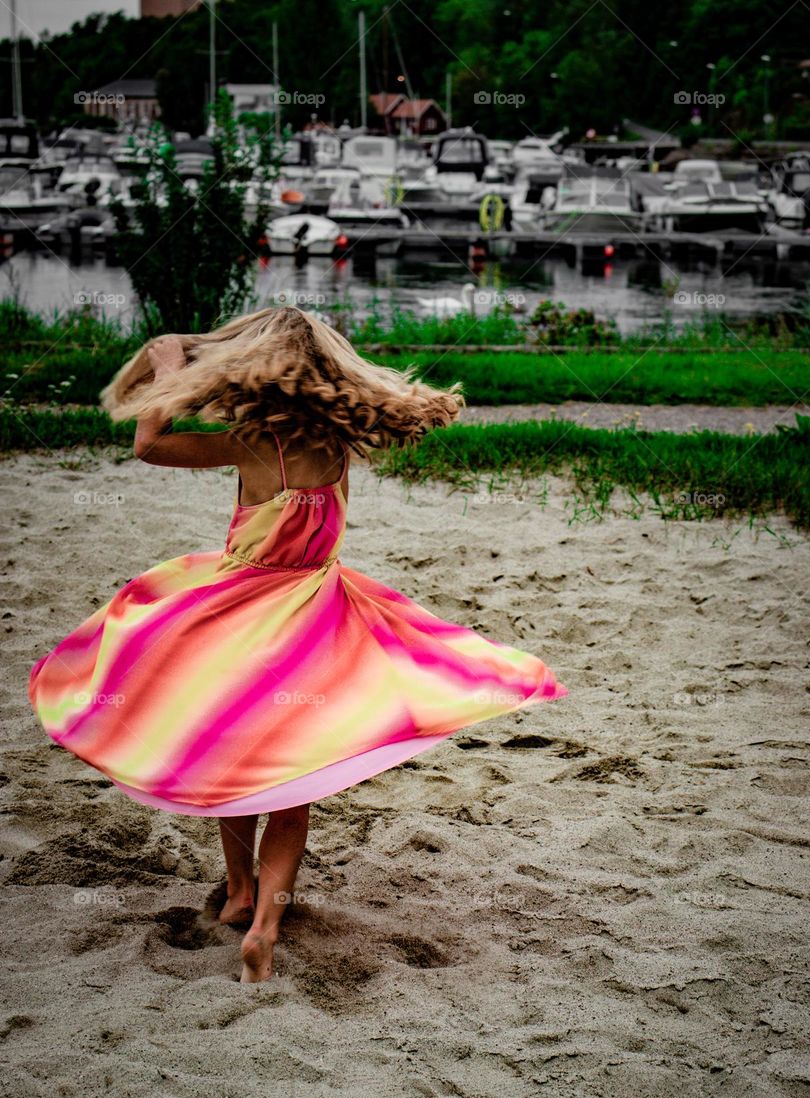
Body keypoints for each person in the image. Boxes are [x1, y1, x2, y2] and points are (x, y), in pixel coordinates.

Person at [28, 306, 568, 983]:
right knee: (289, 780)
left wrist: (169, 374)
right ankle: (264, 926)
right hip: (314, 620)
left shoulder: (252, 442)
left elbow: (149, 446)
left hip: (236, 616)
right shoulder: (339, 444)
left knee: (229, 757)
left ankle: (238, 891)